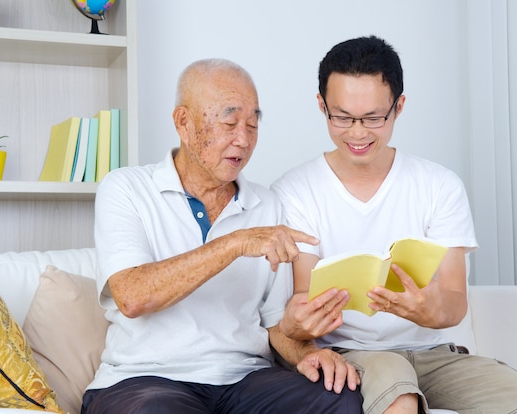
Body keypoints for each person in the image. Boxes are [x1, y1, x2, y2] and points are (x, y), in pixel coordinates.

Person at [271, 36, 517, 414]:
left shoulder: (438, 185)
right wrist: (301, 320)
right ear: (321, 105)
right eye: (342, 117)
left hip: (437, 355)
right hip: (354, 354)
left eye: (374, 118)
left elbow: (455, 302)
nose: (358, 133)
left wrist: (428, 310)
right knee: (399, 397)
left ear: (399, 106)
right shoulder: (295, 191)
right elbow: (303, 293)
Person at [81, 58, 363, 414]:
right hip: (145, 381)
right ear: (183, 122)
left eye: (252, 125)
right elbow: (132, 296)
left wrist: (309, 354)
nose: (243, 140)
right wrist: (234, 243)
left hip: (244, 380)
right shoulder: (126, 188)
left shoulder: (267, 204)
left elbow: (276, 324)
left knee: (340, 396)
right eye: (229, 123)